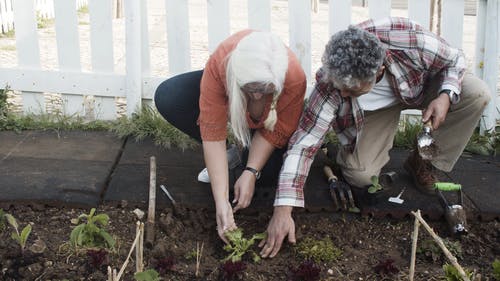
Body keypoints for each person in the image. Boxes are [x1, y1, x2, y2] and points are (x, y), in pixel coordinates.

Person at [258, 17, 491, 258]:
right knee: (360, 176)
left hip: (421, 86)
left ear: (378, 70)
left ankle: (423, 161)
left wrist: (444, 95)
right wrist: (283, 211)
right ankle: (348, 151)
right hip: (374, 112)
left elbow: (455, 59)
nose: (343, 94)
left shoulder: (408, 40)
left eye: (351, 90)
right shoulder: (332, 83)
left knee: (476, 94)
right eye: (341, 88)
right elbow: (304, 144)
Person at [154, 30, 307, 244]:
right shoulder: (223, 62)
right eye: (251, 89)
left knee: (267, 176)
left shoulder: (293, 76)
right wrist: (222, 203)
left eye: (265, 90)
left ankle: (245, 159)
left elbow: (275, 131)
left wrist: (251, 171)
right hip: (225, 82)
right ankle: (231, 154)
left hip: (266, 128)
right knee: (170, 96)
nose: (256, 96)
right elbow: (213, 131)